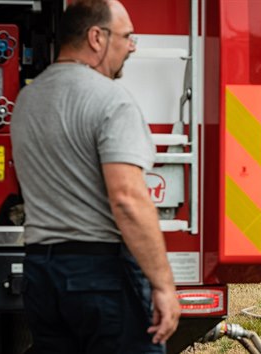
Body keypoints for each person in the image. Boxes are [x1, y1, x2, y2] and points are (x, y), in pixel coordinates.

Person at [10, 0, 180, 352]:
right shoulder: (111, 100)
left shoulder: (27, 100)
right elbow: (127, 200)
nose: (132, 46)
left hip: (40, 273)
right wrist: (163, 286)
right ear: (96, 37)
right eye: (127, 36)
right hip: (99, 275)